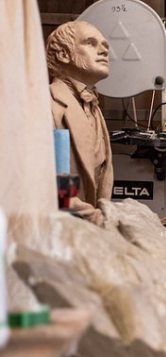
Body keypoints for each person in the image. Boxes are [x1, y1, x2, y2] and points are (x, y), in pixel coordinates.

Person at [46, 21, 113, 226]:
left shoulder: (94, 109)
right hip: (60, 230)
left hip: (89, 232)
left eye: (105, 45)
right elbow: (50, 184)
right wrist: (98, 220)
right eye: (90, 43)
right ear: (63, 54)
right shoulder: (46, 104)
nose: (104, 50)